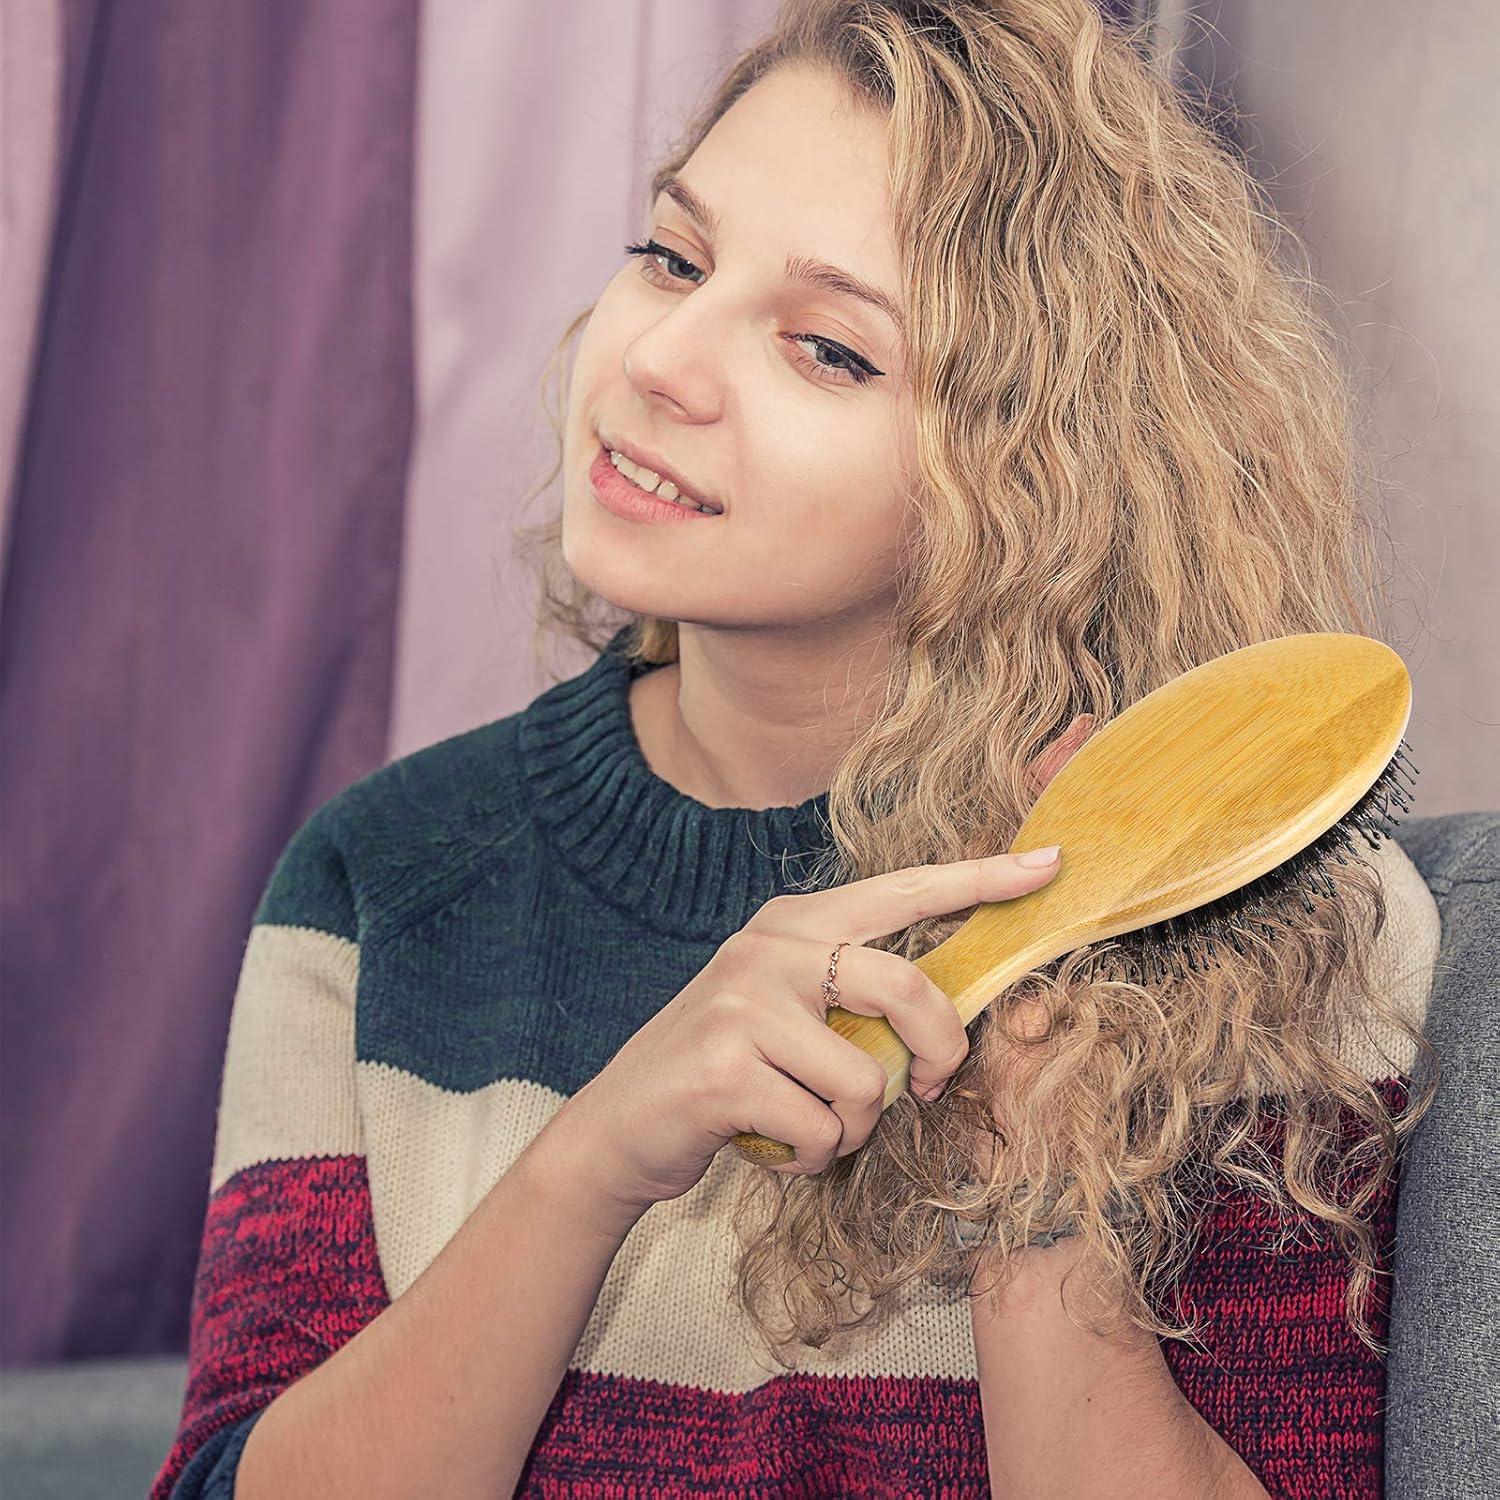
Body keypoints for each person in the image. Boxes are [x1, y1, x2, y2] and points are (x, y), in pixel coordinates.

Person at [151, 2, 1440, 1496]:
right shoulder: (381, 881)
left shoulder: (1263, 923)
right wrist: (590, 1167)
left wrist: (1044, 1176)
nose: (660, 363)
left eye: (827, 349)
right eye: (674, 258)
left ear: (1039, 478)